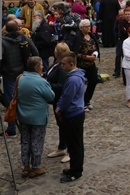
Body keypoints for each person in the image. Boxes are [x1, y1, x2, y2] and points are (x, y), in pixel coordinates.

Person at [16, 57, 55, 179]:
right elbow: (51, 97)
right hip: (38, 117)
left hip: (23, 116)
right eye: (41, 65)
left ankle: (25, 166)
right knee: (37, 141)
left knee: (25, 141)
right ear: (36, 67)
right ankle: (36, 167)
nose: (43, 67)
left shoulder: (20, 79)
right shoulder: (41, 81)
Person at [55, 53, 86, 183]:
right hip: (74, 112)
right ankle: (74, 167)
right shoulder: (74, 77)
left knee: (75, 144)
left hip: (73, 114)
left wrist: (60, 108)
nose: (61, 66)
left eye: (63, 64)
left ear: (71, 64)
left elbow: (67, 97)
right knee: (73, 143)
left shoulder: (73, 80)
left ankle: (76, 171)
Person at [46, 42, 71, 163]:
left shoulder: (62, 68)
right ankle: (62, 146)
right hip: (55, 99)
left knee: (66, 125)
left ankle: (69, 150)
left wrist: (47, 84)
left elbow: (61, 86)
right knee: (61, 124)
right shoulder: (56, 63)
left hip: (61, 99)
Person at [72, 19, 100, 111]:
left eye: (89, 26)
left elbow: (95, 46)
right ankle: (81, 102)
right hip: (81, 64)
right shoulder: (78, 37)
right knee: (81, 84)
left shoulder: (91, 35)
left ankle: (86, 99)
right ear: (81, 28)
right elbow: (75, 53)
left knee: (94, 80)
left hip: (91, 63)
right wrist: (87, 57)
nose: (89, 28)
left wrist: (95, 54)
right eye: (86, 26)